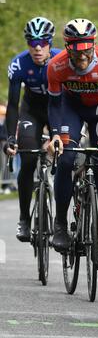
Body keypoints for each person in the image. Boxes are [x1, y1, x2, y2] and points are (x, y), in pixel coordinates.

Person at [47, 18, 98, 252]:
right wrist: (56, 134)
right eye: (76, 52)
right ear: (67, 47)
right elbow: (54, 104)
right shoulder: (56, 66)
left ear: (94, 45)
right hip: (72, 110)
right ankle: (60, 224)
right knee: (66, 158)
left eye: (86, 51)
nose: (81, 58)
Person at [3, 17, 61, 241]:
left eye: (43, 42)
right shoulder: (19, 64)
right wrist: (10, 138)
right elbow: (12, 105)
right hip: (32, 111)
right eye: (32, 42)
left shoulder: (61, 60)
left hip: (58, 108)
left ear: (50, 42)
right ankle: (24, 218)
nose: (37, 48)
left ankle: (65, 220)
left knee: (68, 156)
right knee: (27, 159)